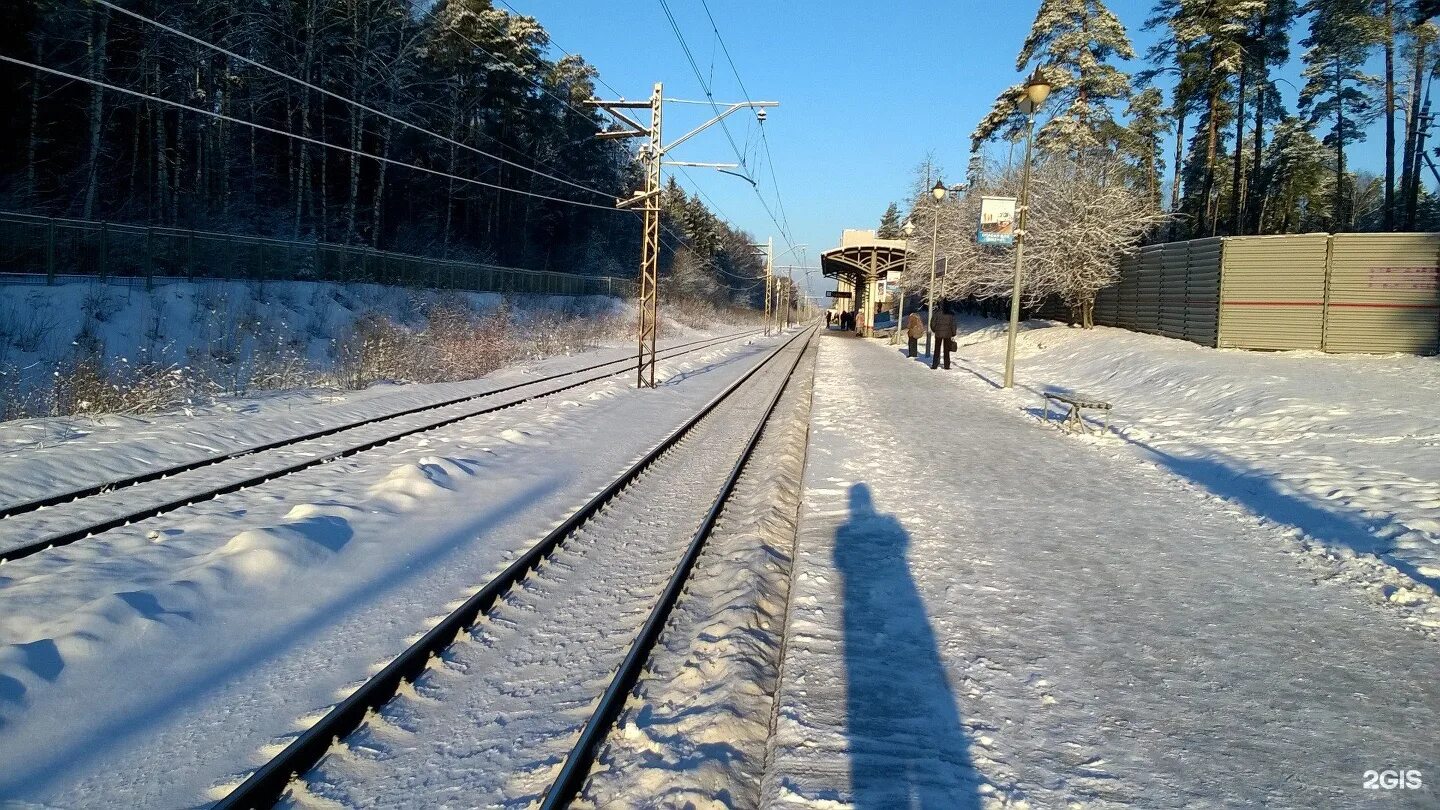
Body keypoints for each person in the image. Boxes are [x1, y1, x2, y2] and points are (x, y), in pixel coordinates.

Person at [930, 301, 957, 370]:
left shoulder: (936, 313)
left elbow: (932, 323)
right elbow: (953, 324)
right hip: (948, 334)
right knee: (946, 350)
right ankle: (947, 365)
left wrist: (935, 330)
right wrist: (953, 333)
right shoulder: (951, 314)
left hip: (938, 334)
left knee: (937, 349)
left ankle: (934, 365)